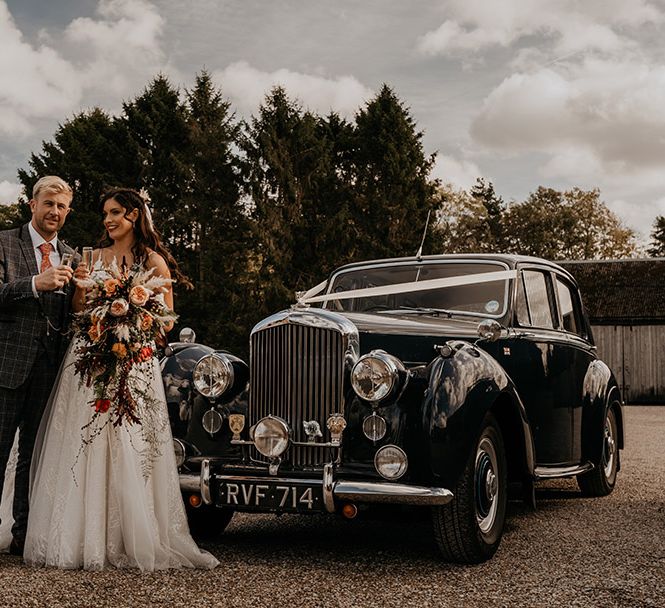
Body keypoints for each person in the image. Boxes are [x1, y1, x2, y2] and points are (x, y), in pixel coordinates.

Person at [21, 187, 218, 570]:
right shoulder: (91, 258)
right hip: (90, 360)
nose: (107, 220)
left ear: (133, 215)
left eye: (115, 213)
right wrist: (83, 290)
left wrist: (132, 322)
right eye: (105, 214)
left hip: (135, 363)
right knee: (83, 441)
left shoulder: (155, 262)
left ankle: (131, 534)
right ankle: (81, 536)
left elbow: (165, 326)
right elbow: (79, 312)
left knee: (130, 445)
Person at [0, 176, 77, 556]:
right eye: (49, 203)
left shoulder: (74, 257)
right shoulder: (4, 242)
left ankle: (23, 537)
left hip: (50, 371)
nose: (55, 212)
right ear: (33, 204)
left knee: (34, 457)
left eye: (62, 207)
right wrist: (34, 283)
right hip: (6, 367)